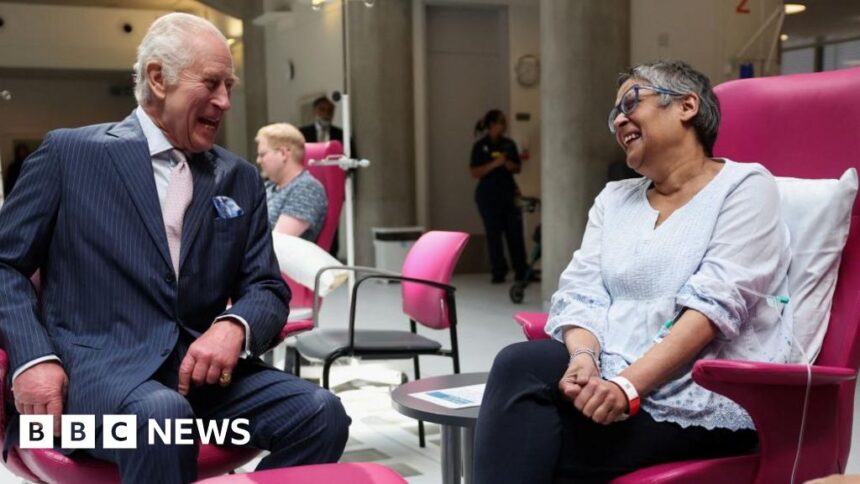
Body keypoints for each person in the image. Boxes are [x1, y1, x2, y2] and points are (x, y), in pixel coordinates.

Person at [0, 13, 349, 484]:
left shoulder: (238, 177)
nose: (225, 101)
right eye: (211, 83)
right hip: (87, 398)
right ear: (158, 77)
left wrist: (234, 326)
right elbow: (6, 266)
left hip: (204, 393)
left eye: (230, 85)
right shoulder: (70, 154)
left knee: (319, 412)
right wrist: (33, 360)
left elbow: (265, 285)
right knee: (160, 422)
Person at [473, 60, 793, 483]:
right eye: (615, 115)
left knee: (533, 441)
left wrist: (626, 386)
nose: (620, 119)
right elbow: (582, 292)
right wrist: (582, 359)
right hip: (609, 369)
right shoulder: (614, 198)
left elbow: (712, 309)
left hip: (700, 394)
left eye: (630, 102)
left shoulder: (746, 187)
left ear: (686, 106)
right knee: (520, 364)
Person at [470, 109, 528, 284]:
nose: (503, 126)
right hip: (488, 196)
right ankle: (498, 271)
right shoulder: (480, 146)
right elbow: (474, 171)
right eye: (500, 122)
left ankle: (521, 270)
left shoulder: (509, 144)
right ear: (491, 125)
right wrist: (495, 164)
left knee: (515, 234)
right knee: (493, 235)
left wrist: (508, 164)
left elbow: (517, 167)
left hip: (508, 194)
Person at [298, 95, 353, 257]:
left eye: (330, 110)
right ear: (315, 111)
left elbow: (350, 163)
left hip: (332, 189)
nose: (326, 113)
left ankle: (331, 257)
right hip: (308, 188)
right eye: (322, 110)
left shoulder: (342, 135)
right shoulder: (302, 133)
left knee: (332, 225)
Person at [256, 123, 328, 242]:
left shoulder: (307, 188)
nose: (258, 160)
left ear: (283, 154)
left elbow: (278, 242)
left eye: (262, 154)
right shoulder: (268, 187)